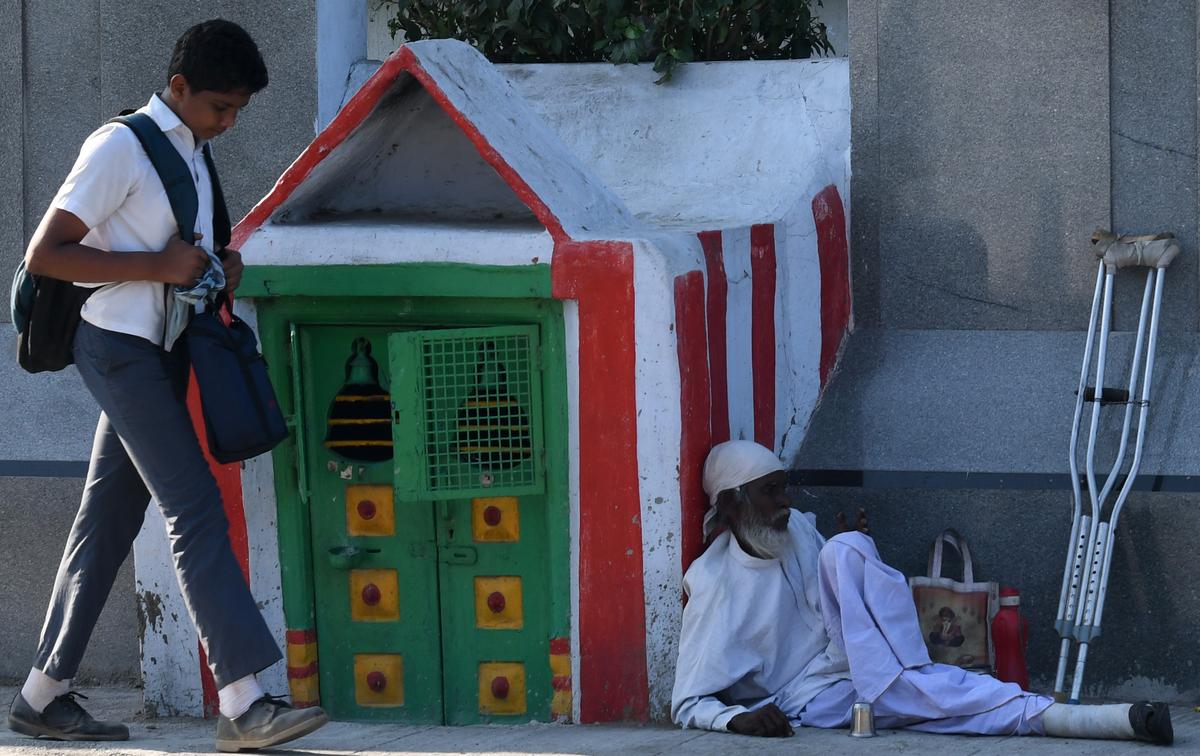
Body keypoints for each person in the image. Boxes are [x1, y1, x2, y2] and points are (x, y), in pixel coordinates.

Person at [6, 20, 328, 752]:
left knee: (107, 520)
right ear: (178, 87)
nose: (229, 120)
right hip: (115, 348)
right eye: (221, 106)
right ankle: (245, 701)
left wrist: (217, 265)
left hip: (158, 350)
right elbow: (47, 253)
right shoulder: (119, 145)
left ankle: (40, 696)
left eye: (238, 108)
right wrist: (162, 268)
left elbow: (183, 250)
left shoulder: (191, 147)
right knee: (194, 505)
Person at [671, 440, 1173, 745]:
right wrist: (735, 720)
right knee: (938, 700)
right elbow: (688, 700)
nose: (787, 502)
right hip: (811, 694)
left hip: (858, 658)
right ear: (734, 504)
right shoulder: (716, 585)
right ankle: (1076, 720)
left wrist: (858, 547)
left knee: (843, 548)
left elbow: (842, 601)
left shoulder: (798, 529)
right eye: (772, 492)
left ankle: (907, 672)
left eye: (784, 487)